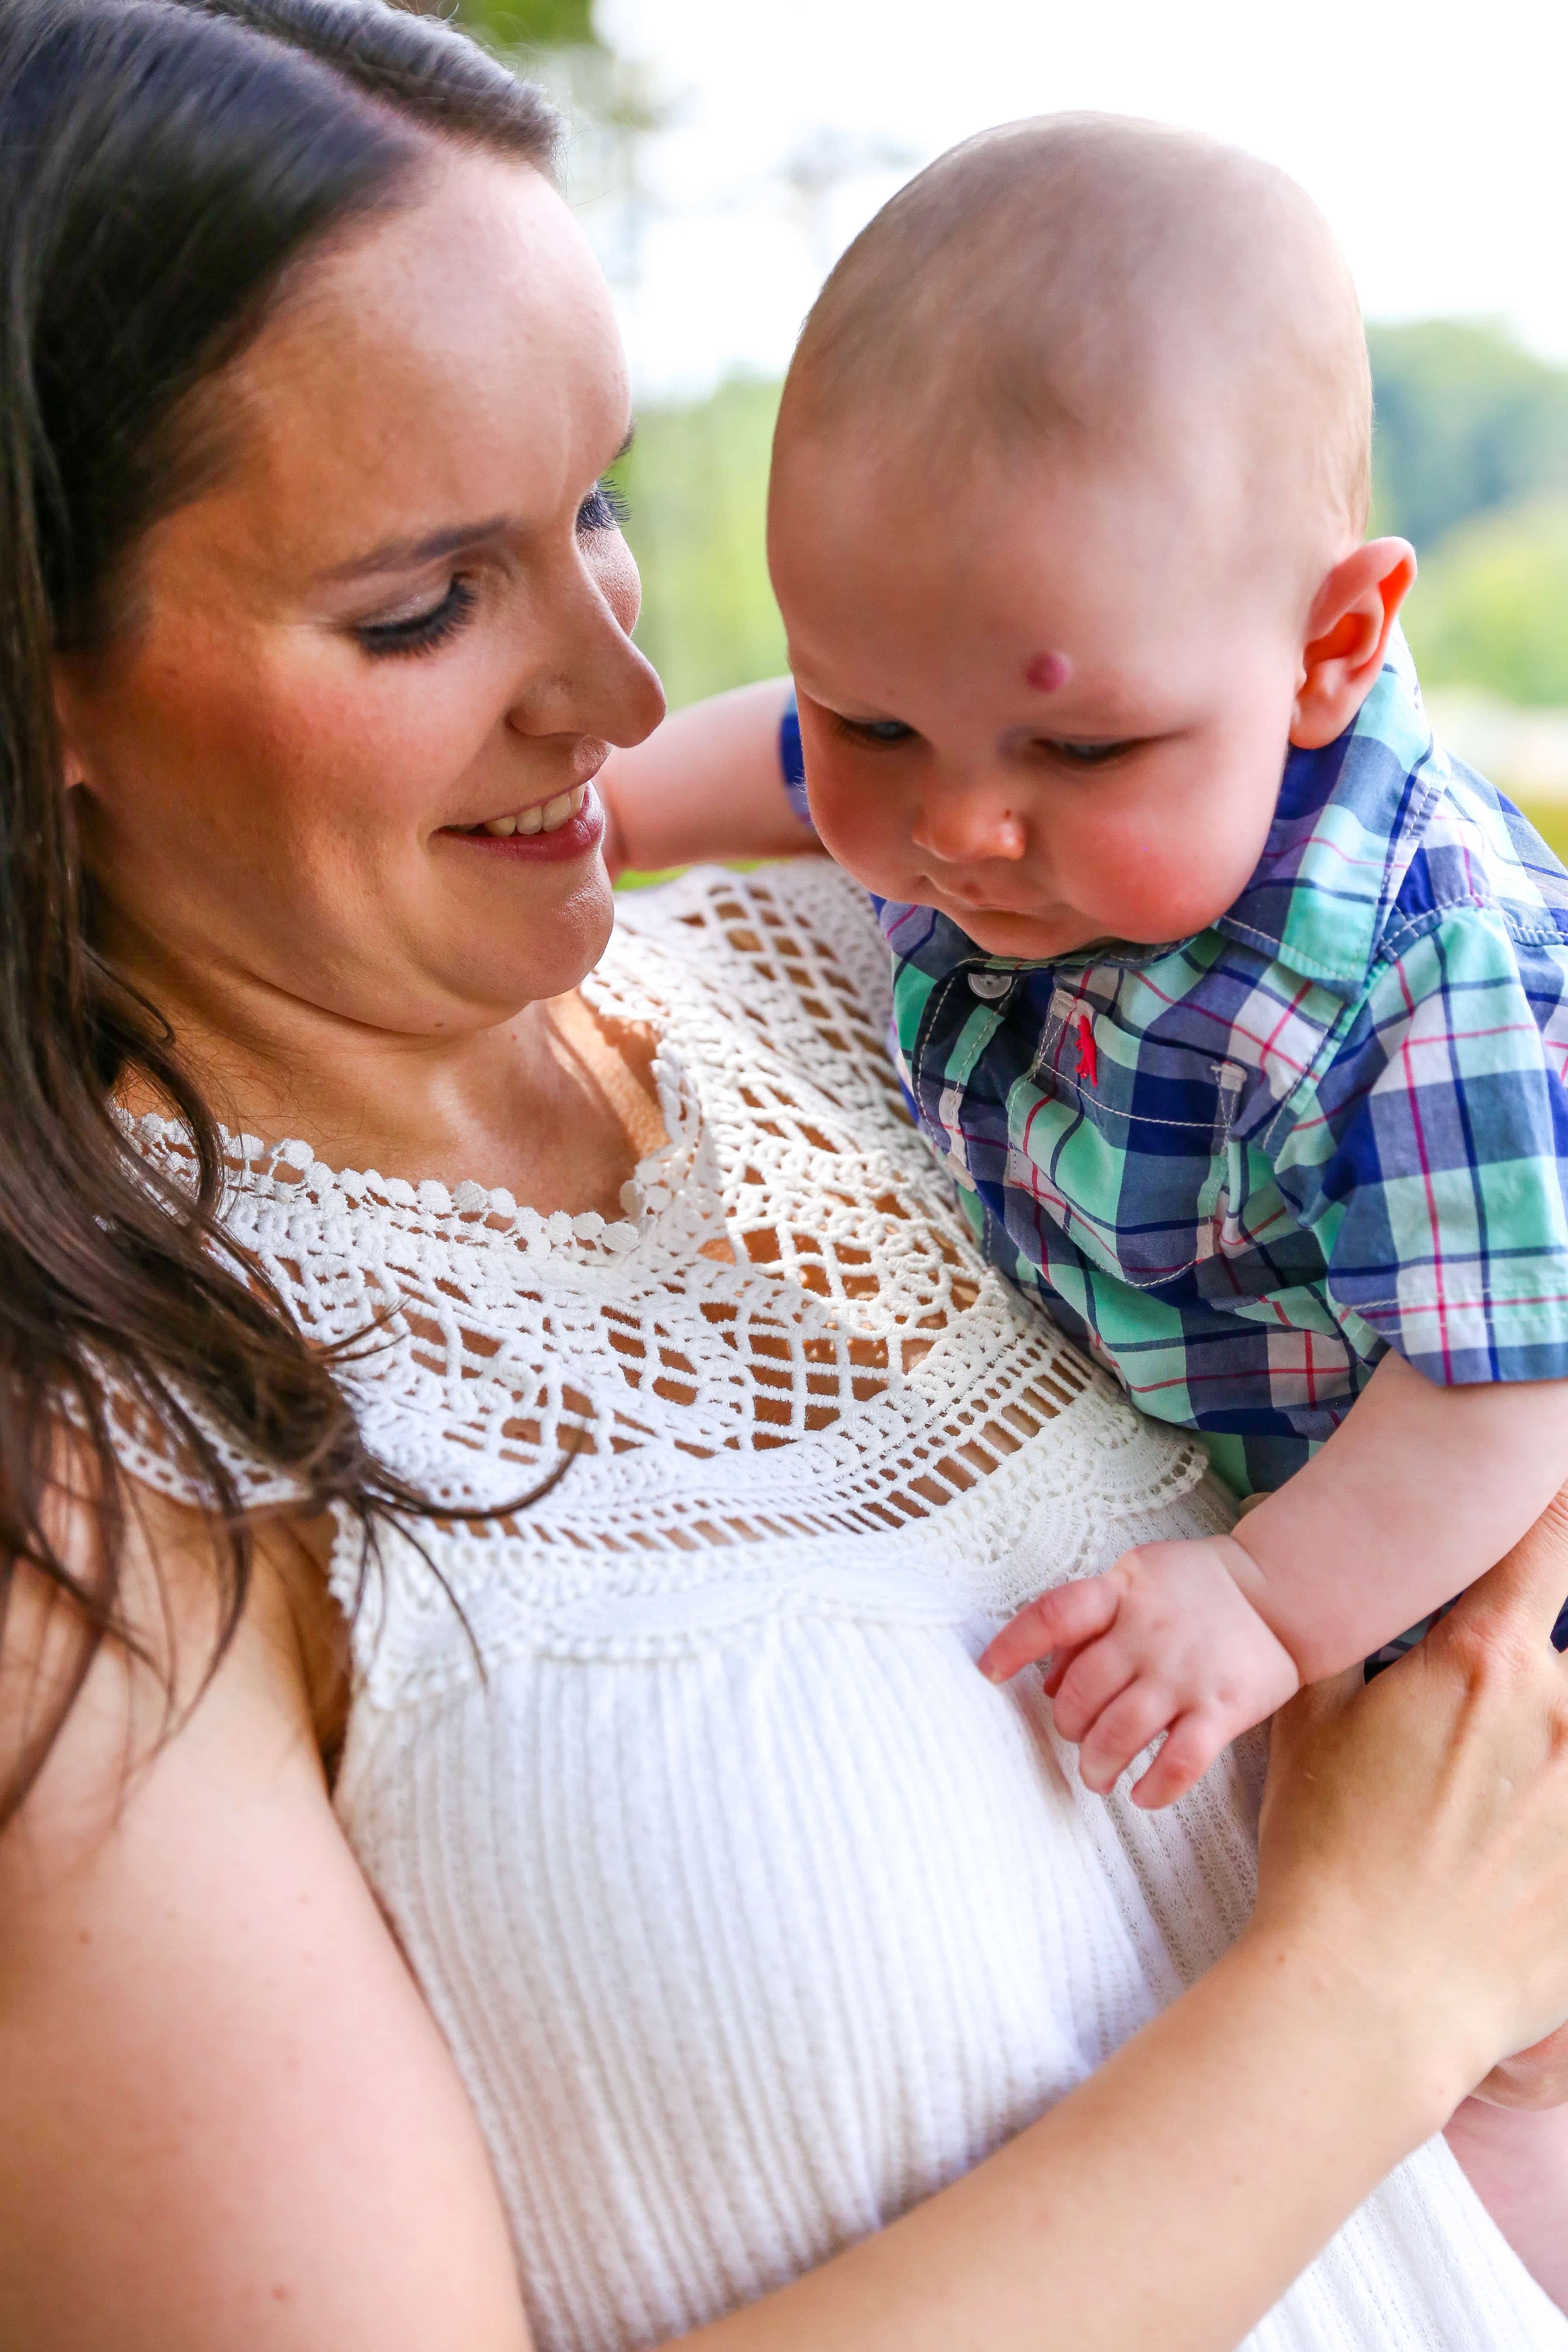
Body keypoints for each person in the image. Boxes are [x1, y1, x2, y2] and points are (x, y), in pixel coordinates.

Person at [2, 8, 1568, 2348]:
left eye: (600, 512)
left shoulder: (922, 962)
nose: (628, 699)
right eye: (428, 605)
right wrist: (1367, 1992)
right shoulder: (100, 1481)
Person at [599, 118, 1568, 2295]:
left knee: (1505, 2066)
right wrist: (599, 827)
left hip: (1482, 1561)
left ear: (1334, 653)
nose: (961, 830)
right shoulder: (997, 721)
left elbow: (1512, 1386)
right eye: (878, 713)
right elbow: (767, 761)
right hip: (1327, 1465)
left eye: (1084, 758)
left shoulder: (1422, 962)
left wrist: (1268, 1604)